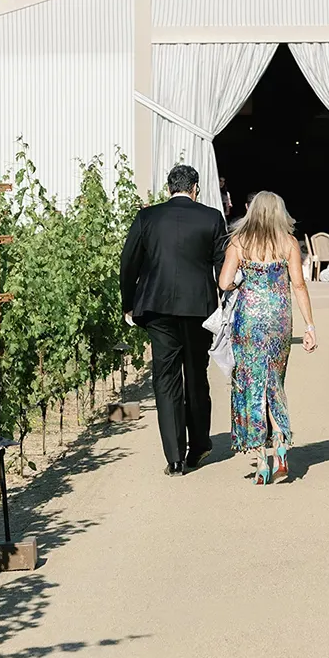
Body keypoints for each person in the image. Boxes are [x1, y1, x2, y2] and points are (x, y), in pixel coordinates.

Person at [120, 163, 228, 475]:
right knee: (196, 376)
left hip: (157, 307)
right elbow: (222, 266)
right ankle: (199, 447)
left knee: (165, 379)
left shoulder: (148, 217)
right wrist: (227, 303)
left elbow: (128, 263)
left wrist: (129, 304)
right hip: (199, 308)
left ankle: (175, 458)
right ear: (196, 188)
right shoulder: (211, 217)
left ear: (169, 188)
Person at [218, 190, 316, 484]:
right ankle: (282, 443)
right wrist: (310, 326)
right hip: (279, 320)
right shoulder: (288, 243)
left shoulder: (239, 242)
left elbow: (224, 282)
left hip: (249, 320)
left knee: (252, 384)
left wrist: (243, 288)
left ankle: (261, 461)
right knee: (275, 382)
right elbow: (298, 285)